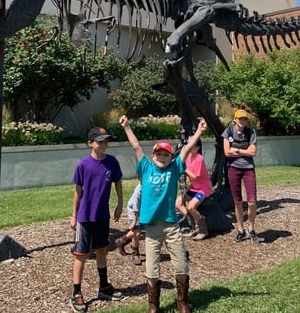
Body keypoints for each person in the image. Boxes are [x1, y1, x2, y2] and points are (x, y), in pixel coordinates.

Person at [120, 114, 207, 313]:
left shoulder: (175, 168)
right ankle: (153, 306)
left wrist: (200, 132)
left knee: (181, 264)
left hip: (171, 226)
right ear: (153, 156)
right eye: (158, 154)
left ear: (170, 157)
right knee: (152, 267)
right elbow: (135, 146)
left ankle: (182, 302)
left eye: (166, 154)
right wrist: (127, 127)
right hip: (151, 228)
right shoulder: (146, 168)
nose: (162, 157)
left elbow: (185, 150)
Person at [68, 127, 124, 312]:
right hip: (85, 217)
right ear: (90, 143)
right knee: (81, 254)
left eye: (106, 140)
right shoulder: (83, 165)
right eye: (100, 141)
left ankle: (104, 287)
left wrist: (120, 204)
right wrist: (74, 215)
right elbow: (77, 192)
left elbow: (118, 182)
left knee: (102, 250)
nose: (104, 144)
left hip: (102, 216)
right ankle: (76, 292)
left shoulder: (112, 162)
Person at [222, 109, 259, 244]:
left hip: (248, 168)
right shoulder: (228, 132)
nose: (242, 121)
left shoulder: (251, 132)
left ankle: (251, 228)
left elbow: (253, 152)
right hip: (233, 168)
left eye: (244, 119)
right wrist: (245, 151)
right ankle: (240, 229)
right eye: (240, 118)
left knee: (252, 201)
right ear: (235, 119)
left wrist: (237, 150)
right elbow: (226, 152)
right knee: (237, 201)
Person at [175, 139, 213, 240]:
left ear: (197, 148)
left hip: (203, 188)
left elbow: (195, 176)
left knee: (191, 207)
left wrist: (184, 169)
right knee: (178, 204)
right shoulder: (187, 157)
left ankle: (203, 230)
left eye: (192, 145)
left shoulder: (199, 158)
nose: (189, 146)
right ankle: (194, 225)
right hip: (193, 187)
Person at [114, 181, 143, 266]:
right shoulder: (139, 190)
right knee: (137, 232)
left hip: (144, 210)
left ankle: (121, 241)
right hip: (134, 210)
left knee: (137, 231)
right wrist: (134, 221)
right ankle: (135, 254)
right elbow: (136, 207)